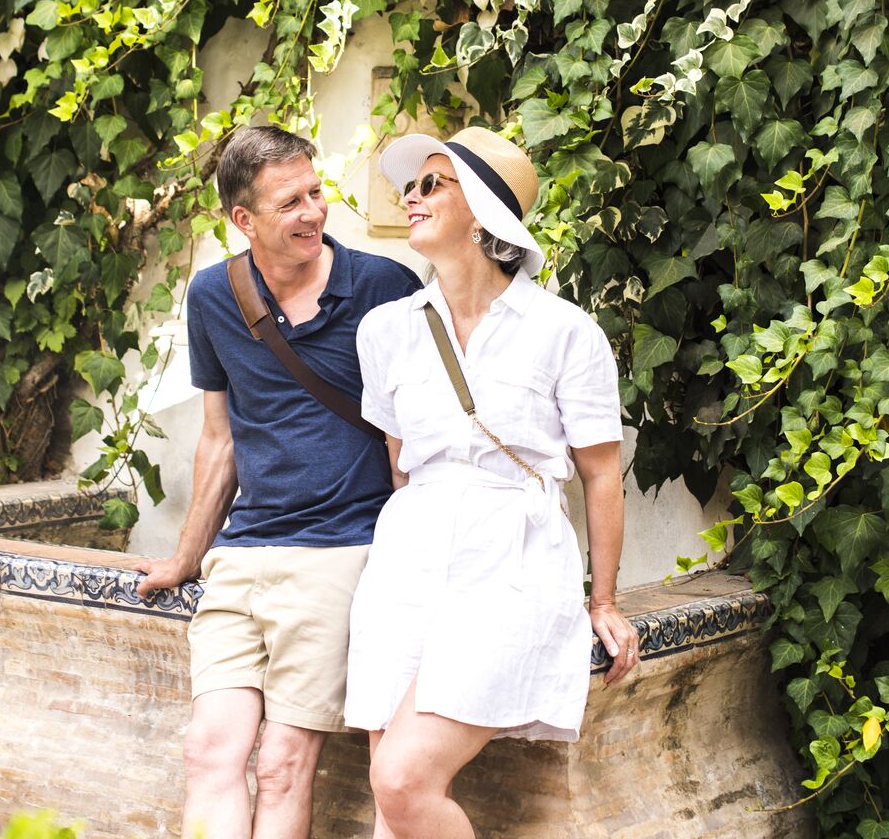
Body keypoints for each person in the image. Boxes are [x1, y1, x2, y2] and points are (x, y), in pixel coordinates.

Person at [344, 125, 642, 839]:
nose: (410, 196)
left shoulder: (566, 332)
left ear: (480, 210)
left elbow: (601, 474)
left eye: (431, 183)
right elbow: (401, 461)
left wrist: (602, 598)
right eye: (410, 185)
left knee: (402, 778)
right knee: (395, 800)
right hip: (409, 557)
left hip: (510, 558)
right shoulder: (385, 331)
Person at [129, 125, 419, 839]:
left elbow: (411, 444)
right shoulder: (213, 296)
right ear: (243, 219)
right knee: (208, 750)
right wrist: (185, 555)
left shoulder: (385, 288)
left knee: (284, 762)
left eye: (316, 193)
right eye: (290, 202)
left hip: (339, 554)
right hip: (244, 554)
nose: (313, 212)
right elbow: (220, 439)